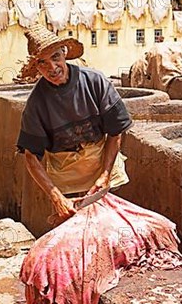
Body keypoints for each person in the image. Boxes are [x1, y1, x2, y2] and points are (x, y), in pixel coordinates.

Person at [17, 24, 132, 222]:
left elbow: (115, 132)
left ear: (65, 54)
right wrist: (56, 197)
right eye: (42, 63)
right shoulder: (36, 102)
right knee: (77, 235)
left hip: (103, 168)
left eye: (55, 57)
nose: (52, 68)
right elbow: (31, 157)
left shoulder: (95, 81)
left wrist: (105, 175)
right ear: (36, 67)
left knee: (111, 227)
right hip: (67, 180)